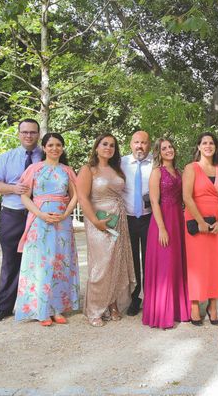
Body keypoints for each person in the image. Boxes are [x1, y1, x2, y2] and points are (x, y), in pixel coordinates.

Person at [15, 133, 80, 326]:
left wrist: (66, 213)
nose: (54, 148)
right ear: (44, 148)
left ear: (62, 147)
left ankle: (57, 308)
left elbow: (75, 195)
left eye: (58, 145)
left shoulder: (67, 170)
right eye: (50, 145)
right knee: (41, 263)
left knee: (60, 263)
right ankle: (41, 309)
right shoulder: (34, 169)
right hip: (39, 220)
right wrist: (41, 214)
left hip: (62, 222)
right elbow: (25, 196)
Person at [0, 118, 43, 323]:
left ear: (38, 133)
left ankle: (38, 306)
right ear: (18, 134)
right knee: (11, 261)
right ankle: (4, 307)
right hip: (12, 214)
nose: (29, 135)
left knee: (40, 261)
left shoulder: (47, 156)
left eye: (33, 132)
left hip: (38, 216)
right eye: (25, 132)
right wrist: (13, 188)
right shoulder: (6, 158)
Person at [77, 134, 136, 327]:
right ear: (96, 147)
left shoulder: (116, 168)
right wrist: (95, 222)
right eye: (104, 144)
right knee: (101, 265)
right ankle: (94, 309)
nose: (108, 148)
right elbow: (83, 198)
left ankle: (112, 305)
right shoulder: (88, 169)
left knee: (116, 263)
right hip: (99, 221)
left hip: (118, 220)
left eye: (112, 145)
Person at [142, 138, 191, 329]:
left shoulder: (179, 172)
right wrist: (162, 228)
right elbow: (154, 201)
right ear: (159, 152)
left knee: (177, 263)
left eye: (170, 146)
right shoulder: (157, 172)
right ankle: (162, 312)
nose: (169, 150)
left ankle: (178, 310)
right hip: (163, 220)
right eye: (164, 148)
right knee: (165, 264)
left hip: (178, 218)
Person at [182, 132, 218, 325]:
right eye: (204, 143)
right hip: (196, 220)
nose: (208, 146)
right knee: (196, 263)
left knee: (216, 263)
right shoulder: (191, 168)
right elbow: (186, 196)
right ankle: (194, 304)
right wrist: (200, 221)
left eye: (211, 143)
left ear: (215, 147)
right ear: (199, 147)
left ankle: (212, 304)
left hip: (217, 223)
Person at [120, 131, 153, 316]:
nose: (140, 146)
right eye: (136, 142)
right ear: (131, 144)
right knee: (132, 260)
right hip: (128, 218)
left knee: (149, 260)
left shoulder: (156, 163)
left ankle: (150, 296)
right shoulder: (121, 163)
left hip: (149, 218)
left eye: (144, 143)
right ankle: (135, 298)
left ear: (149, 145)